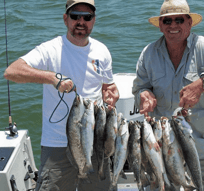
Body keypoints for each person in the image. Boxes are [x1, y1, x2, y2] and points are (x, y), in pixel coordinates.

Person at [132, 0, 204, 190]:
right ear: (160, 26)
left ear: (189, 23)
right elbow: (139, 87)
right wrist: (144, 94)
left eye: (179, 20)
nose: (173, 26)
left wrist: (203, 83)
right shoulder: (149, 53)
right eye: (167, 21)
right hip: (163, 147)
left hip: (203, 147)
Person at [4, 0, 119, 190]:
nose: (81, 21)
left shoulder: (102, 51)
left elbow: (108, 86)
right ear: (66, 19)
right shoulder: (50, 49)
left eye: (87, 17)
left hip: (94, 141)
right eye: (75, 16)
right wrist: (52, 78)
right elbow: (12, 71)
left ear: (94, 20)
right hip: (57, 144)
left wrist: (111, 93)